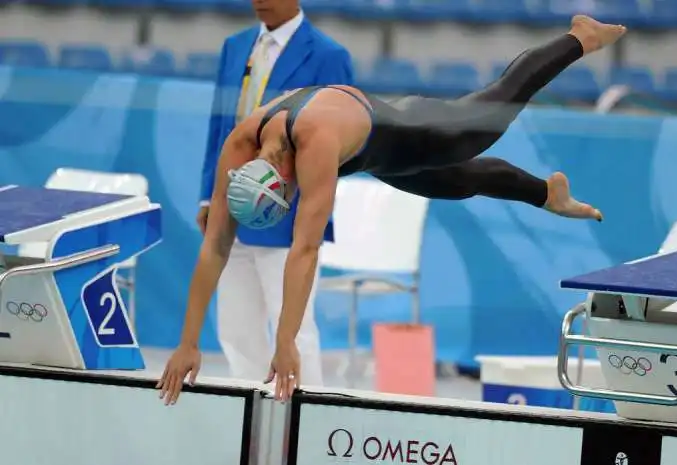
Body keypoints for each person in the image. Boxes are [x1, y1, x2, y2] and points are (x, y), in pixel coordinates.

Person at [158, 15, 627, 404]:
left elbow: (304, 250)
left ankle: (578, 38)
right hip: (371, 151)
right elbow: (215, 248)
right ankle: (548, 194)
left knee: (489, 114)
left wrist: (284, 343)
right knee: (462, 181)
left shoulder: (313, 146)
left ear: (281, 175)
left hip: (404, 130)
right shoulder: (240, 145)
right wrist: (187, 343)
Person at [196, 0, 353, 388]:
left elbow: (338, 147)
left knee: (294, 329)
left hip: (287, 214)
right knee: (236, 330)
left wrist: (309, 216)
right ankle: (251, 418)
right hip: (233, 205)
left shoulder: (329, 56)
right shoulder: (235, 47)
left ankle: (305, 422)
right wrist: (208, 197)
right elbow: (220, 128)